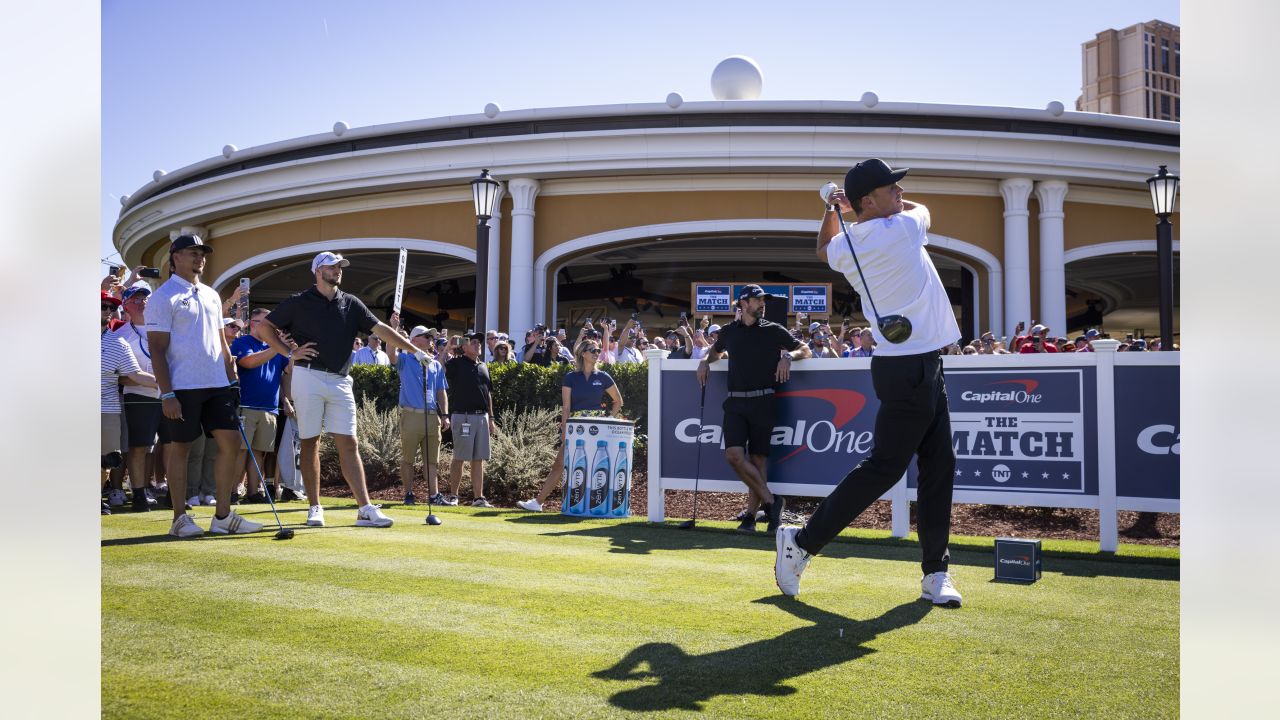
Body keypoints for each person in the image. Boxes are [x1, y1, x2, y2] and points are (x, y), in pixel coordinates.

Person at [775, 159, 963, 606]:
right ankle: (801, 543)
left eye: (898, 188)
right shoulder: (903, 228)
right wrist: (851, 207)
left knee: (940, 468)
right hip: (909, 369)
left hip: (917, 365)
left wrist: (831, 209)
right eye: (889, 189)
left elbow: (823, 249)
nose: (900, 194)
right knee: (885, 468)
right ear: (867, 201)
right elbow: (922, 209)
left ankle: (936, 573)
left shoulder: (851, 242)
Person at [257, 251, 428, 529]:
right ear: (317, 271)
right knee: (311, 442)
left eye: (339, 267)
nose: (337, 270)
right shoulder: (298, 302)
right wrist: (288, 353)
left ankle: (364, 508)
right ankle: (314, 507)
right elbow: (266, 327)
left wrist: (413, 350)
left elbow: (381, 329)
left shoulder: (351, 303)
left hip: (340, 380)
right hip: (308, 376)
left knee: (349, 443)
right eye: (331, 266)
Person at [145, 235, 262, 537]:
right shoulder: (162, 297)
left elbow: (222, 340)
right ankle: (179, 518)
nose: (199, 258)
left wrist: (231, 375)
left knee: (231, 443)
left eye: (202, 253)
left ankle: (222, 516)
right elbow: (157, 349)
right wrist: (167, 392)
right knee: (180, 449)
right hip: (182, 386)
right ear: (175, 257)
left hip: (217, 385)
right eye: (192, 252)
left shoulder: (211, 294)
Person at [697, 284, 811, 534]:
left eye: (763, 300)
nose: (763, 304)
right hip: (736, 402)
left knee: (758, 460)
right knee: (734, 456)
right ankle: (772, 502)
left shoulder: (773, 330)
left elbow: (805, 349)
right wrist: (705, 361)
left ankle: (750, 516)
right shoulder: (729, 331)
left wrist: (789, 357)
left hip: (764, 401)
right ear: (744, 303)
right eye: (758, 300)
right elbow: (716, 352)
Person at [517, 338, 624, 512]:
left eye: (598, 351)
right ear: (583, 353)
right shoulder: (571, 377)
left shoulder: (603, 377)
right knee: (559, 464)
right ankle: (538, 503)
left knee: (597, 466)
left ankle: (600, 506)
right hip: (576, 427)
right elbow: (566, 407)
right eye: (593, 350)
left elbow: (618, 401)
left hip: (597, 428)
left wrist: (609, 420)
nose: (597, 354)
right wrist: (564, 431)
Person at [230, 309, 294, 504]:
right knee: (240, 451)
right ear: (251, 323)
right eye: (258, 322)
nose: (263, 327)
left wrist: (293, 350)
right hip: (246, 405)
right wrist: (277, 346)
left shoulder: (274, 347)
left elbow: (289, 369)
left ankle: (252, 492)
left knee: (259, 452)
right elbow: (248, 363)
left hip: (270, 408)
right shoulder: (243, 342)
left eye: (267, 324)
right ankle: (232, 491)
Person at [102, 290, 157, 515]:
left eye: (110, 308)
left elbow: (135, 374)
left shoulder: (118, 342)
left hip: (107, 408)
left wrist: (169, 386)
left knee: (106, 460)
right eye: (102, 306)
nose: (107, 311)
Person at [111, 285, 166, 512]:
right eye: (135, 299)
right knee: (139, 447)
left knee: (170, 446)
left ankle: (173, 494)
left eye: (145, 297)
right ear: (125, 306)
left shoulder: (164, 327)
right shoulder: (120, 335)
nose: (141, 302)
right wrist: (154, 380)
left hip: (168, 396)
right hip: (138, 398)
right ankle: (139, 495)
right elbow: (119, 377)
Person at [388, 322, 451, 507]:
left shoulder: (435, 364)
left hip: (432, 416)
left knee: (432, 461)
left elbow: (441, 391)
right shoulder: (405, 360)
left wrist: (445, 414)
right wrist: (393, 330)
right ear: (414, 340)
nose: (430, 339)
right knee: (408, 459)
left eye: (431, 337)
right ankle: (408, 493)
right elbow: (391, 353)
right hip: (411, 415)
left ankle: (434, 495)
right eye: (426, 336)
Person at [443, 332, 499, 507]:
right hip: (462, 416)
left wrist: (491, 418)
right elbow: (438, 367)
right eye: (473, 342)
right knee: (459, 457)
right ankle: (453, 496)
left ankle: (478, 498)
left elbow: (488, 393)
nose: (478, 345)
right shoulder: (456, 363)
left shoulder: (483, 366)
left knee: (478, 459)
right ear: (464, 347)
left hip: (481, 417)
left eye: (479, 342)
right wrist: (447, 348)